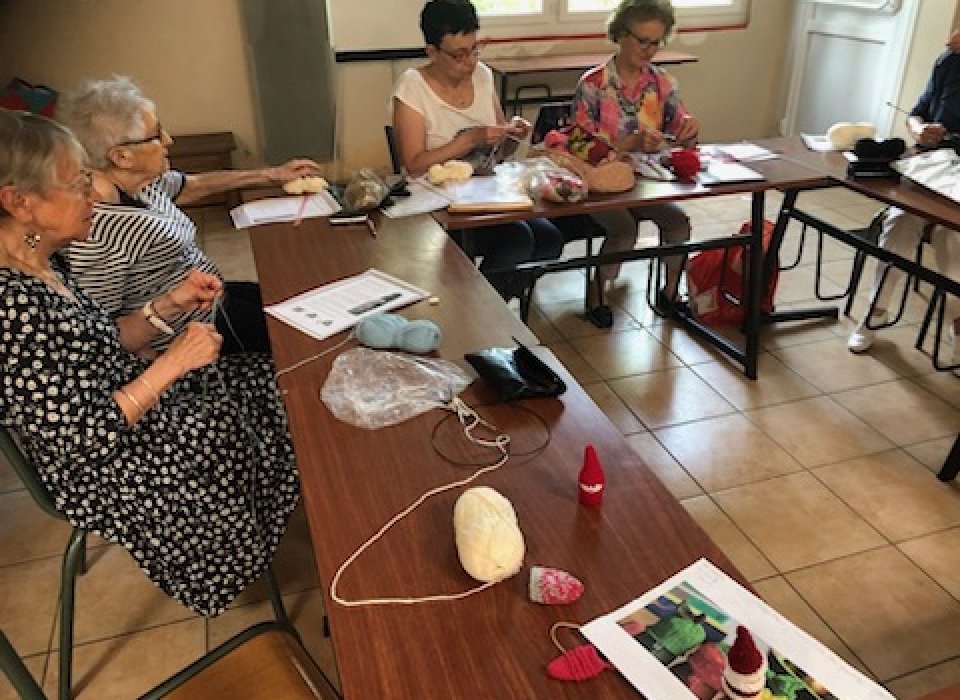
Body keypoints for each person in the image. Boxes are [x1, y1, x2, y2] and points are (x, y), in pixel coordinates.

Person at [0, 109, 300, 616]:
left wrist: (167, 305)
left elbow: (105, 340)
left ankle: (296, 497)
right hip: (106, 463)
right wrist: (173, 364)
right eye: (76, 185)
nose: (93, 195)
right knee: (273, 403)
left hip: (128, 406)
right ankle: (245, 543)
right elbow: (83, 436)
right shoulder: (10, 309)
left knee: (276, 377)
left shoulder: (38, 264)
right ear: (19, 202)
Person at [55, 76, 323, 355]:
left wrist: (271, 175)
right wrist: (167, 373)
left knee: (298, 299)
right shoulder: (96, 230)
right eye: (157, 135)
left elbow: (190, 186)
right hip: (195, 331)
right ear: (122, 157)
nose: (169, 140)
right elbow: (106, 332)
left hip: (214, 298)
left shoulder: (140, 184)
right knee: (303, 337)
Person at [391, 0, 566, 300]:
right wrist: (469, 140)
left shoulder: (482, 75)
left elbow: (501, 152)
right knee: (519, 239)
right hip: (437, 204)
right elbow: (414, 165)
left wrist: (512, 133)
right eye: (459, 55)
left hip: (486, 194)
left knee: (550, 238)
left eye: (474, 49)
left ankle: (492, 306)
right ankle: (478, 313)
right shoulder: (412, 86)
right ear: (432, 52)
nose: (470, 62)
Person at [571, 0, 698, 311]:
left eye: (656, 43)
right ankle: (598, 291)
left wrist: (688, 131)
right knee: (624, 229)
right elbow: (577, 145)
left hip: (645, 181)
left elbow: (679, 134)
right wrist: (628, 144)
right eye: (643, 41)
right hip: (600, 181)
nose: (649, 50)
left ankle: (670, 294)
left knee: (678, 223)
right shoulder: (594, 84)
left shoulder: (662, 83)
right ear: (621, 35)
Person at [848, 29, 960, 357]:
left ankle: (958, 323)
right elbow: (916, 113)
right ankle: (875, 313)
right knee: (900, 222)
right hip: (933, 169)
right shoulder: (950, 62)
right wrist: (920, 131)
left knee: (951, 238)